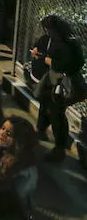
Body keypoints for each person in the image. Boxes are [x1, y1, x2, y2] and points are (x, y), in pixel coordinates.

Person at [31, 14, 83, 162]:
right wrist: (37, 52)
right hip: (51, 84)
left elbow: (69, 64)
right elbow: (40, 45)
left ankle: (59, 149)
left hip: (59, 85)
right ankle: (41, 129)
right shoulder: (55, 40)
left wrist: (50, 61)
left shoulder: (65, 44)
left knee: (56, 113)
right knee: (46, 106)